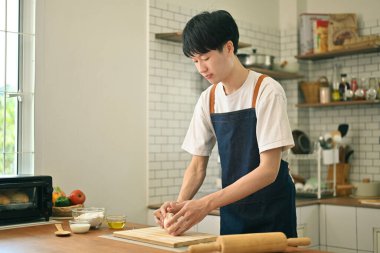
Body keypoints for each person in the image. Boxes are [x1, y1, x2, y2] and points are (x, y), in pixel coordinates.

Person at [154, 10, 297, 238]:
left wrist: (205, 204)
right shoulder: (208, 99)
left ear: (229, 48)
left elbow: (269, 170)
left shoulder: (267, 91)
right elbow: (197, 166)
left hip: (272, 213)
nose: (201, 68)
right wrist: (178, 208)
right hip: (233, 211)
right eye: (195, 61)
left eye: (206, 57)